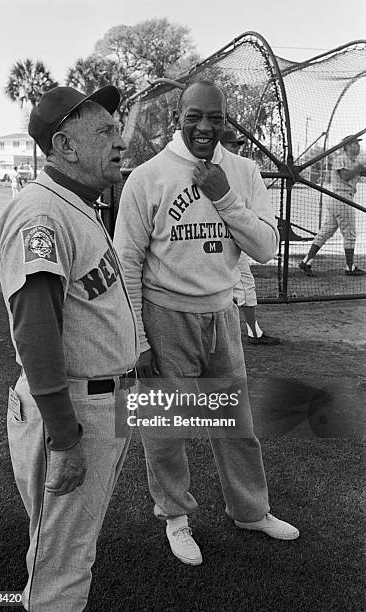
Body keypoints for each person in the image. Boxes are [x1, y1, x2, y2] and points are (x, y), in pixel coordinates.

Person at [114, 80, 299, 567]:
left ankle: (249, 511)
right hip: (165, 316)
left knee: (236, 424)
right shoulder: (148, 178)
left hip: (223, 313)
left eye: (214, 117)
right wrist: (137, 335)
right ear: (179, 116)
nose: (204, 127)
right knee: (166, 429)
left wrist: (223, 197)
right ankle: (175, 518)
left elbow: (264, 247)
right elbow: (126, 261)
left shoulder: (242, 171)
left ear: (225, 120)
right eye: (194, 116)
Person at [0, 85, 139, 612]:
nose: (119, 140)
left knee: (69, 549)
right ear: (66, 146)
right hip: (73, 410)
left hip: (98, 402)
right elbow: (35, 333)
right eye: (105, 131)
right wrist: (64, 435)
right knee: (60, 568)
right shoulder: (42, 215)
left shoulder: (75, 205)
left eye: (116, 128)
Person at [220, 128, 281, 346]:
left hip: (220, 239)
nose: (237, 148)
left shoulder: (235, 168)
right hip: (227, 240)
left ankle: (242, 332)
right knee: (245, 285)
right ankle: (253, 333)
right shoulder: (230, 169)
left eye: (238, 144)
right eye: (233, 144)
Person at [299, 134, 366, 277]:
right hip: (342, 198)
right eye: (355, 143)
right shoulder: (341, 159)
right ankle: (350, 268)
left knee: (326, 232)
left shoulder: (353, 160)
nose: (358, 146)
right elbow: (346, 176)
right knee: (350, 234)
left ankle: (306, 261)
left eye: (358, 143)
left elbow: (360, 171)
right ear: (347, 146)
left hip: (339, 199)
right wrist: (359, 166)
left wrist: (360, 166)